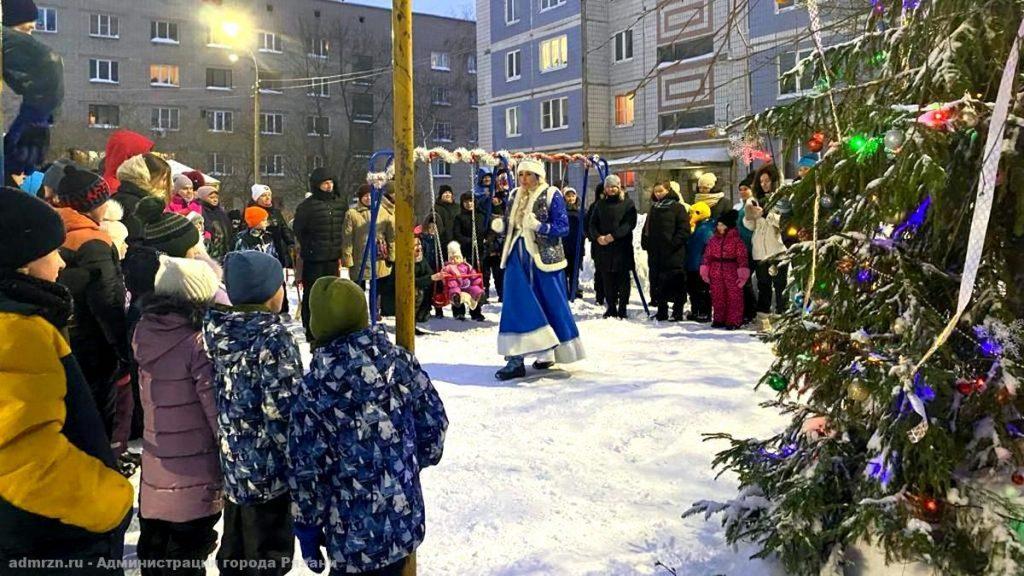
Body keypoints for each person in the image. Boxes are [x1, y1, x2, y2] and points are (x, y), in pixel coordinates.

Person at [0, 188, 133, 573]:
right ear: (22, 263)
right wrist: (108, 502)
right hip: (49, 537)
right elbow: (24, 459)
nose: (60, 264)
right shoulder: (17, 330)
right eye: (51, 252)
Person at [290, 277, 448, 575]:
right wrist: (405, 463)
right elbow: (434, 422)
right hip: (402, 523)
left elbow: (307, 468)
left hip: (351, 540)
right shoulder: (399, 362)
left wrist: (307, 526)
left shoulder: (315, 389)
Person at [203, 251, 302, 576]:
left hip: (234, 469)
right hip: (269, 474)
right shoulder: (273, 339)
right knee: (267, 558)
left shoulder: (219, 330)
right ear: (268, 292)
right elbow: (283, 412)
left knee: (236, 554)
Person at [134, 256, 223, 576]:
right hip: (194, 471)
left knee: (156, 548)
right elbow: (215, 411)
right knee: (187, 554)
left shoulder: (145, 331)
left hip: (155, 469)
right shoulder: (197, 343)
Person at [54, 166, 131, 442]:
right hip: (92, 342)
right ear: (94, 203)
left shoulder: (54, 230)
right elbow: (107, 299)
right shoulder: (94, 242)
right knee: (97, 415)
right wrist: (123, 348)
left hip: (62, 336)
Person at [495, 158, 585, 380]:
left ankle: (549, 351)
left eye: (528, 174)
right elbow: (509, 223)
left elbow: (563, 227)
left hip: (544, 259)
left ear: (538, 176)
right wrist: (501, 227)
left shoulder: (551, 194)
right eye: (521, 175)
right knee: (517, 302)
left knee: (551, 302)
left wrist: (540, 227)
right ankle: (515, 358)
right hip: (518, 255)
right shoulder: (515, 195)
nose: (523, 179)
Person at [292, 167, 346, 335]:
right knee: (313, 293)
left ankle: (331, 324)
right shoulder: (307, 206)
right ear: (317, 185)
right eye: (325, 183)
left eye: (330, 182)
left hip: (332, 256)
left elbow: (344, 227)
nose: (329, 186)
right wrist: (309, 245)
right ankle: (310, 326)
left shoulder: (340, 203)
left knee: (332, 292)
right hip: (313, 257)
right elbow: (298, 229)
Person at [589, 174, 638, 319]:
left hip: (621, 248)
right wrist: (598, 237)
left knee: (623, 279)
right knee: (607, 279)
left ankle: (622, 307)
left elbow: (629, 224)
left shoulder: (628, 204)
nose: (611, 189)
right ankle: (611, 307)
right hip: (603, 248)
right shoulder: (600, 204)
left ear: (619, 187)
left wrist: (613, 236)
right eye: (608, 187)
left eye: (614, 186)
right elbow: (592, 223)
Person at [745, 165, 788, 331]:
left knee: (780, 285)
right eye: (761, 181)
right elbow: (749, 226)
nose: (764, 184)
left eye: (767, 181)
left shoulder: (782, 199)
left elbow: (784, 222)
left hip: (777, 249)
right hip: (760, 251)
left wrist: (767, 214)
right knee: (763, 286)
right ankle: (763, 318)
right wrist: (751, 214)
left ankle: (782, 315)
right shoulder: (756, 199)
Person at [642, 183, 689, 322]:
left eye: (660, 191)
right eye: (655, 192)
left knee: (676, 281)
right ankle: (661, 310)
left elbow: (684, 229)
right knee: (658, 282)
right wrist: (646, 243)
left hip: (674, 252)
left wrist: (674, 243)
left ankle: (677, 311)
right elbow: (647, 228)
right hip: (656, 252)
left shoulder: (677, 207)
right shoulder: (654, 208)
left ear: (668, 190)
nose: (658, 194)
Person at [249, 184, 295, 316]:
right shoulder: (252, 212)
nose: (267, 198)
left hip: (277, 252)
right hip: (261, 252)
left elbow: (284, 229)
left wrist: (291, 243)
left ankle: (282, 308)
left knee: (278, 280)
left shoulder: (276, 212)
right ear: (256, 198)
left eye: (269, 195)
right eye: (263, 196)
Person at [701, 210, 749, 330]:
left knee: (734, 297)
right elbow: (707, 256)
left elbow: (742, 258)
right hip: (716, 270)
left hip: (731, 270)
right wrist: (705, 271)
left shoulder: (736, 241)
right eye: (718, 225)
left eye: (722, 225)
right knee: (718, 296)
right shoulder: (713, 240)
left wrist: (742, 275)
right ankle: (719, 318)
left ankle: (734, 320)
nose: (719, 227)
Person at [342, 184, 396, 289]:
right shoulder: (352, 214)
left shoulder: (382, 212)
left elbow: (391, 236)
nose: (368, 198)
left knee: (378, 288)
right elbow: (347, 239)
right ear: (360, 198)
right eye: (365, 196)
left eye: (371, 195)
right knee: (358, 290)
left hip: (379, 256)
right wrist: (348, 258)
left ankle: (376, 305)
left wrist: (391, 255)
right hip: (359, 257)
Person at [115, 151, 172, 243]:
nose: (165, 185)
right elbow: (137, 241)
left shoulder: (120, 197)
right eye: (163, 179)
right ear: (146, 176)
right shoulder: (140, 205)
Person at [685, 202, 714, 323]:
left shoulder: (706, 229)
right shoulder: (697, 227)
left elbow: (708, 247)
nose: (691, 216)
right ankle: (696, 310)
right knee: (693, 289)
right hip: (692, 262)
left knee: (702, 289)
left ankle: (704, 312)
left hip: (700, 264)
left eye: (694, 213)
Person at [734, 174, 757, 324]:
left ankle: (750, 311)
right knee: (744, 279)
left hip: (750, 245)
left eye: (746, 189)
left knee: (745, 280)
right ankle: (747, 310)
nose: (742, 191)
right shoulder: (741, 205)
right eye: (740, 189)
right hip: (742, 246)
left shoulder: (751, 203)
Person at [443, 241, 485, 321]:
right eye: (452, 258)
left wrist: (476, 281)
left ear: (461, 258)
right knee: (455, 290)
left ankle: (479, 299)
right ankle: (458, 312)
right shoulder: (449, 267)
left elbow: (473, 275)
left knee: (475, 289)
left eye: (457, 258)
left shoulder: (466, 266)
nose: (454, 260)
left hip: (467, 285)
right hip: (456, 285)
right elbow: (449, 279)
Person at [453, 191, 487, 272]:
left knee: (483, 275)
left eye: (471, 201)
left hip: (482, 250)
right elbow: (457, 234)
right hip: (467, 251)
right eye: (466, 202)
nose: (469, 204)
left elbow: (488, 230)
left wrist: (487, 240)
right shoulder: (459, 217)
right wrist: (469, 241)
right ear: (462, 203)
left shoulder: (481, 216)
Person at [197, 185, 232, 261]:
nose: (215, 200)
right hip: (210, 252)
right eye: (211, 197)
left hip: (224, 250)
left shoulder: (220, 211)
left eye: (216, 197)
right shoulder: (201, 211)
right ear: (203, 198)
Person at [584, 184, 605, 306]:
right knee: (600, 270)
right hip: (598, 244)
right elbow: (588, 225)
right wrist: (594, 237)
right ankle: (600, 295)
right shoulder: (594, 206)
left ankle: (612, 293)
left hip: (612, 243)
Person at [562, 187, 584, 300]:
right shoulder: (561, 211)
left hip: (577, 245)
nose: (571, 198)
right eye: (568, 196)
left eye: (573, 196)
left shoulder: (581, 211)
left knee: (574, 271)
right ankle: (565, 291)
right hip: (565, 245)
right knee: (565, 271)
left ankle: (574, 290)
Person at [433, 185, 459, 249]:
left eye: (449, 193)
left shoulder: (457, 207)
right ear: (441, 195)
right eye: (445, 193)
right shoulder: (436, 208)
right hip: (443, 240)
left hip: (457, 240)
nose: (448, 194)